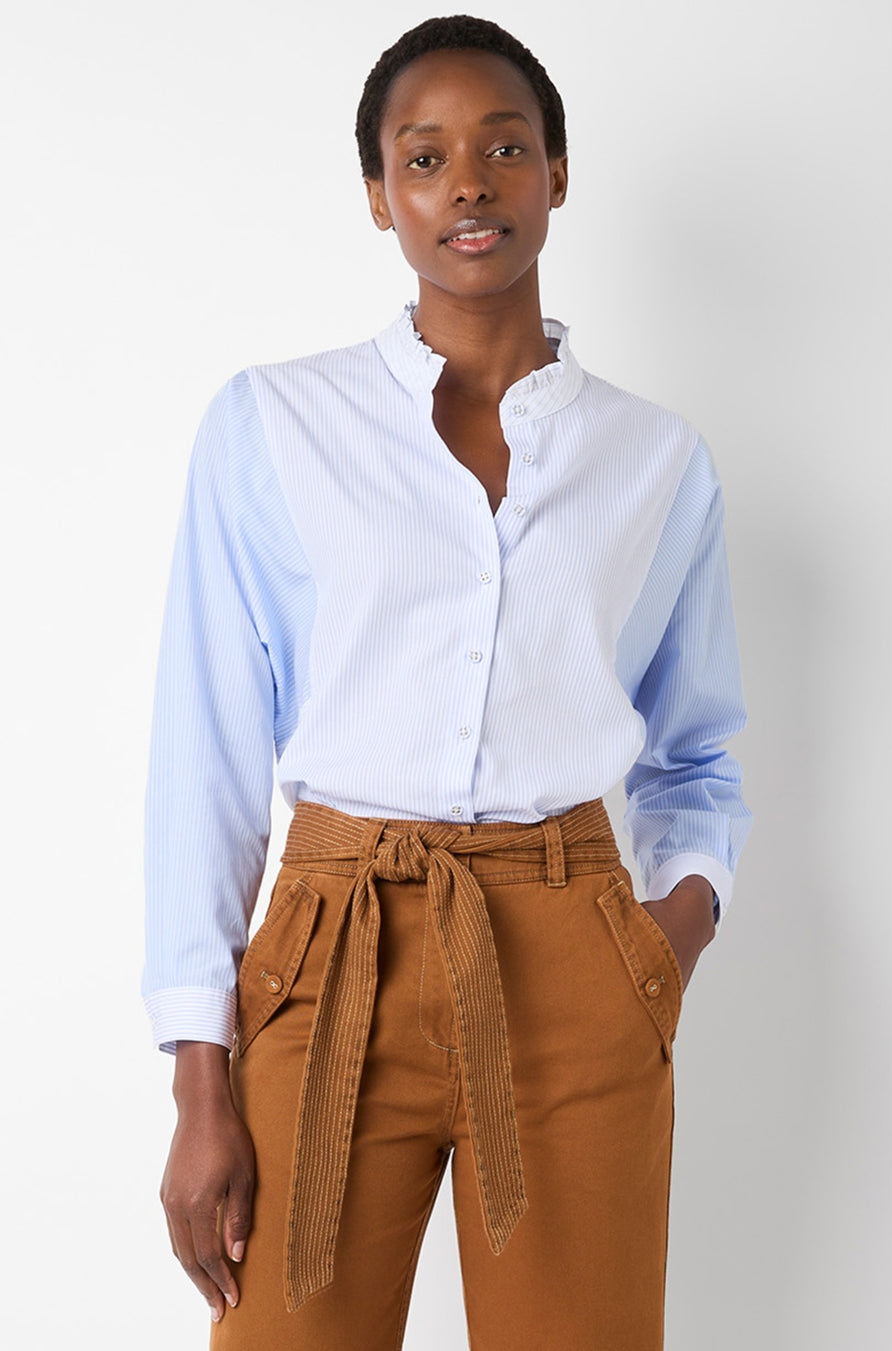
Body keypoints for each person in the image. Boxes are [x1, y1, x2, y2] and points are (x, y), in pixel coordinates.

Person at [144, 15, 751, 1350]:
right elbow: (209, 749)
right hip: (331, 950)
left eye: (504, 148)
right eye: (424, 157)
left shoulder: (656, 461)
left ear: (557, 174)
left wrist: (669, 934)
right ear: (380, 194)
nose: (467, 182)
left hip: (573, 956)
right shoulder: (273, 426)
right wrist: (199, 1078)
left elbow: (697, 748)